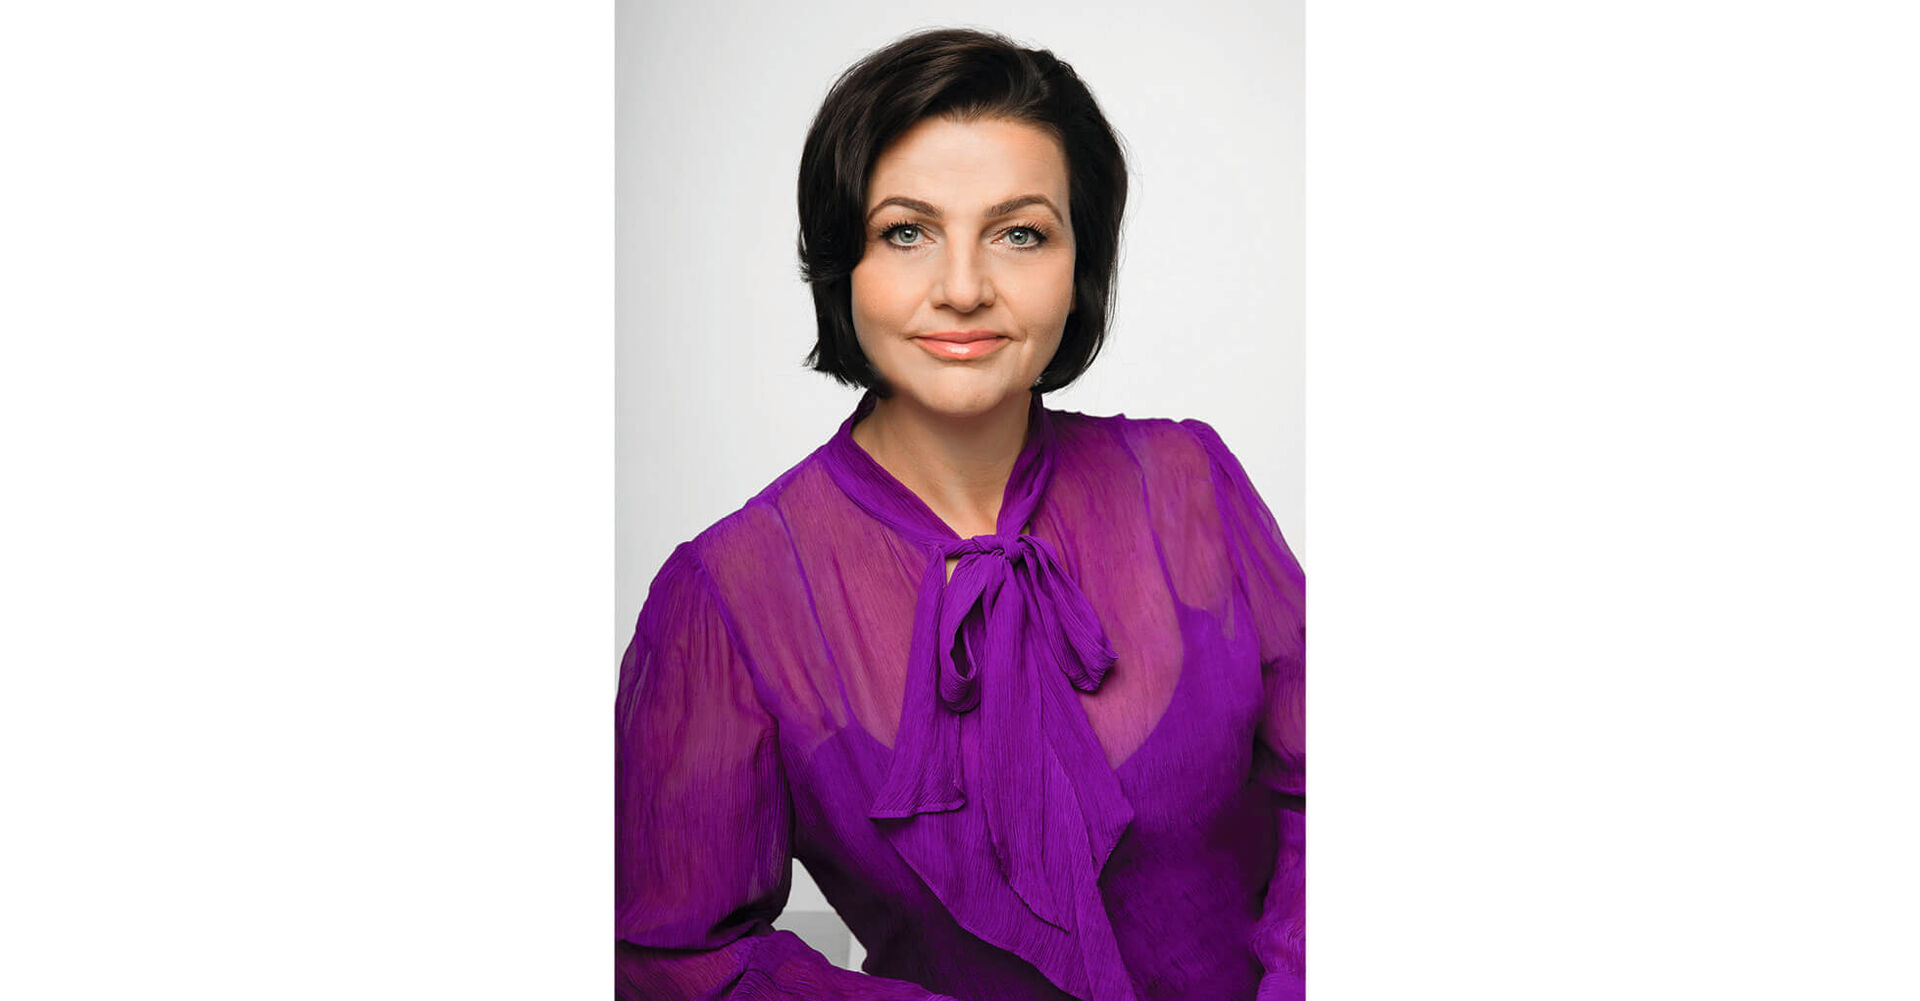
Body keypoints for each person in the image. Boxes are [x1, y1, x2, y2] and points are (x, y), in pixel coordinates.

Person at [616, 27, 1303, 1001]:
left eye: (1020, 232)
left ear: (1081, 262)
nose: (965, 289)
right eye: (907, 231)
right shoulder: (727, 598)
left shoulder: (1190, 481)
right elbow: (673, 955)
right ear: (843, 264)